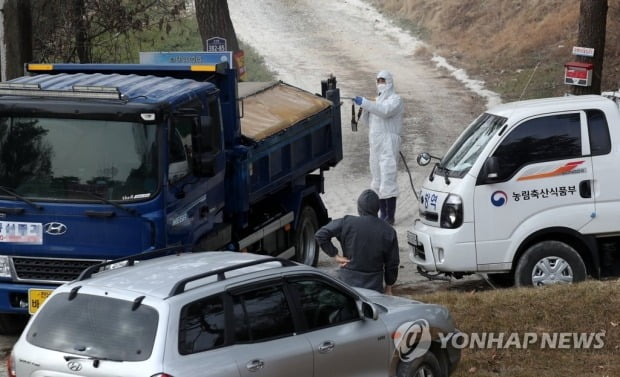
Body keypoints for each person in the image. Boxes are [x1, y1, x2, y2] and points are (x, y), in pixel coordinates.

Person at [314, 189, 400, 294]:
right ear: (377, 208)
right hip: (374, 285)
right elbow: (392, 263)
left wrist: (335, 255)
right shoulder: (388, 231)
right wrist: (388, 287)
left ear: (359, 208)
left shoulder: (346, 222)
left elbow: (321, 235)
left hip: (348, 282)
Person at [354, 70, 404, 225]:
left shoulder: (396, 100)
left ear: (389, 82)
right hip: (375, 144)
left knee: (388, 178)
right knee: (377, 179)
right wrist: (364, 109)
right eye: (378, 80)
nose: (380, 84)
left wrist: (367, 103)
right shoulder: (376, 102)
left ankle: (389, 216)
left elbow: (385, 112)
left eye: (383, 80)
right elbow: (370, 123)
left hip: (388, 143)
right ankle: (381, 214)